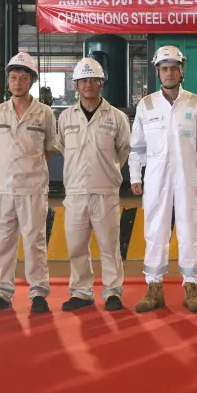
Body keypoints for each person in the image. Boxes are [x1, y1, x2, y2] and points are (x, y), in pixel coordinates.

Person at [129, 45, 197, 313]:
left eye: (174, 68)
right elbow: (137, 146)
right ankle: (154, 288)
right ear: (158, 72)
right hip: (156, 180)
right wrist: (135, 175)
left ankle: (191, 287)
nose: (169, 73)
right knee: (155, 231)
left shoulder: (195, 102)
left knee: (190, 230)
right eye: (164, 68)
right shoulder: (147, 104)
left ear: (181, 71)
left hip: (188, 178)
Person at [0, 52, 59, 315]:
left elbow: (49, 147)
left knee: (35, 242)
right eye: (13, 77)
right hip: (2, 189)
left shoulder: (44, 113)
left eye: (24, 77)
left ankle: (38, 293)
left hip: (33, 189)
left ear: (32, 81)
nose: (18, 82)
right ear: (8, 80)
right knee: (2, 243)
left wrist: (28, 166)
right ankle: (1, 293)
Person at [57, 58, 131, 312]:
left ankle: (113, 292)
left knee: (110, 247)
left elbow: (123, 150)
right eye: (83, 81)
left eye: (93, 80)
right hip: (75, 192)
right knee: (76, 247)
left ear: (102, 83)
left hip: (105, 192)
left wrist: (106, 171)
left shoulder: (117, 118)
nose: (88, 85)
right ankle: (81, 292)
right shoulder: (65, 118)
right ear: (76, 85)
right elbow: (62, 147)